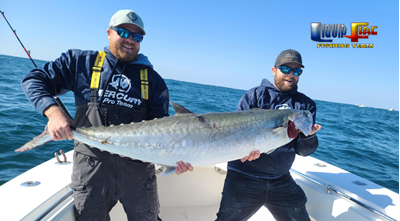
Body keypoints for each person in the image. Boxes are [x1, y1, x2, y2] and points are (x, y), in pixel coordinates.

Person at [21, 9, 192, 221]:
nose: (130, 40)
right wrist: (53, 112)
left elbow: (163, 130)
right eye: (124, 32)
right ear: (109, 32)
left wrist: (175, 159)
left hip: (137, 173)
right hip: (91, 171)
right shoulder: (81, 62)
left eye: (137, 37)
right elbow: (34, 80)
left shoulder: (154, 81)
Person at [215, 49, 322, 221]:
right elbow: (235, 135)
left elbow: (303, 151)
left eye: (297, 71)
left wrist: (309, 137)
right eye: (286, 69)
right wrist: (245, 151)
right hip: (243, 175)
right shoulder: (254, 96)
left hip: (280, 178)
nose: (291, 74)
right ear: (274, 70)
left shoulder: (305, 106)